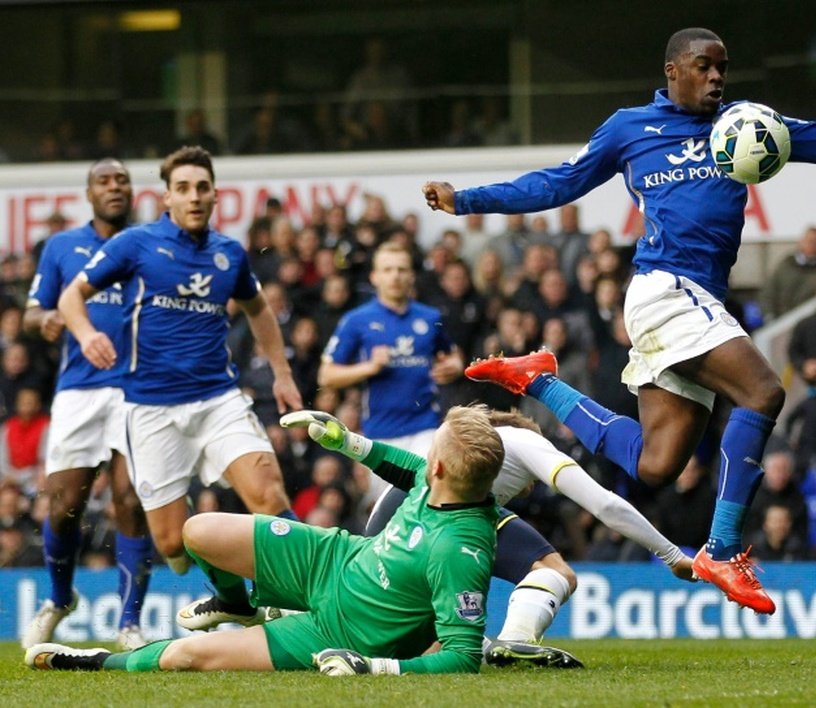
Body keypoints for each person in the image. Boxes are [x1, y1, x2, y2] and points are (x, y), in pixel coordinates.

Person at [422, 26, 816, 614]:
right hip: (664, 288)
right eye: (704, 67)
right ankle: (723, 547)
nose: (716, 78)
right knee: (762, 392)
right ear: (673, 71)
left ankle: (537, 381)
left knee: (655, 464)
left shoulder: (745, 125)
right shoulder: (629, 128)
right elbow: (557, 182)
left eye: (723, 69)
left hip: (700, 298)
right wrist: (468, 199)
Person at [26, 405, 505, 675]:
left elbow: (462, 656)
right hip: (330, 559)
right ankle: (234, 603)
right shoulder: (443, 481)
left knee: (183, 656)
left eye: (433, 448)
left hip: (339, 635)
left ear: (441, 466)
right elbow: (407, 467)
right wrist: (347, 442)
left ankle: (101, 661)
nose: (426, 458)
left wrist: (376, 669)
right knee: (199, 530)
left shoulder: (460, 550)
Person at [56, 146, 302, 577]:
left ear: (214, 196)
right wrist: (86, 332)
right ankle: (229, 599)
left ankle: (316, 598)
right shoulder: (135, 244)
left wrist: (282, 372)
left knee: (268, 494)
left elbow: (259, 309)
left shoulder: (229, 253)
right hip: (151, 408)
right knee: (173, 547)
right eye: (183, 188)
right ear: (166, 197)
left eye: (201, 188)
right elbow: (71, 296)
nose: (193, 197)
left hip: (218, 399)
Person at [334, 405, 695, 667]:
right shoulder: (525, 441)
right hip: (432, 516)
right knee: (557, 572)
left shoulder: (469, 466)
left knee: (417, 633)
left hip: (405, 516)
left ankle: (503, 647)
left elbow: (405, 471)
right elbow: (605, 505)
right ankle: (513, 641)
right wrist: (671, 555)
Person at [21, 158, 153, 651]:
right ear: (89, 193)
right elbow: (31, 313)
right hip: (79, 388)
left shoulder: (149, 245)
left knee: (130, 501)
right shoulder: (61, 247)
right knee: (65, 506)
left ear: (132, 191)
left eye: (121, 180)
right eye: (104, 181)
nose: (114, 187)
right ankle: (59, 599)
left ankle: (129, 623)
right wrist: (49, 319)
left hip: (138, 388)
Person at [318, 242, 464, 506]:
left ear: (411, 275)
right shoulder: (356, 320)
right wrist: (369, 368)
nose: (395, 276)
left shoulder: (430, 317)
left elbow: (453, 355)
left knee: (428, 501)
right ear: (375, 276)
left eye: (401, 269)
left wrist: (454, 366)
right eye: (387, 269)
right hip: (381, 432)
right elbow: (326, 375)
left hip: (425, 427)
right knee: (390, 513)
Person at [759, 226, 816, 322]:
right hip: (782, 322)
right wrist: (769, 316)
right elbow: (769, 292)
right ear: (801, 242)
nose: (812, 245)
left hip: (812, 323)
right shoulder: (785, 265)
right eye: (809, 241)